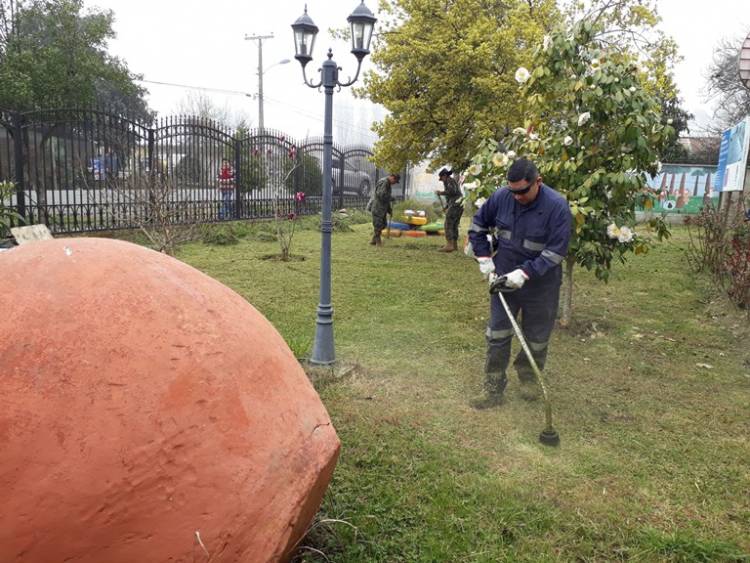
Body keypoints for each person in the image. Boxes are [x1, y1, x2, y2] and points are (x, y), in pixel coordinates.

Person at [468, 158, 571, 409]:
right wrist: (483, 257)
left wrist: (524, 273)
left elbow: (555, 252)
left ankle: (529, 378)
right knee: (497, 334)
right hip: (504, 280)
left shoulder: (557, 207)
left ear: (538, 181)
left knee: (536, 337)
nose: (516, 197)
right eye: (512, 191)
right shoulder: (501, 197)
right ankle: (493, 387)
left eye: (522, 191)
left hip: (541, 285)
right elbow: (478, 227)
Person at [435, 168, 464, 252]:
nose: (441, 180)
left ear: (444, 176)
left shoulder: (449, 181)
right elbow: (451, 196)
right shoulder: (450, 181)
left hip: (456, 204)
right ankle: (454, 245)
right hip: (458, 204)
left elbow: (452, 191)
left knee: (448, 223)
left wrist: (441, 192)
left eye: (441, 178)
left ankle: (449, 245)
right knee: (454, 224)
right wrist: (446, 206)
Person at [369, 173, 400, 246]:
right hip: (378, 208)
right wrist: (391, 198)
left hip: (382, 209)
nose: (394, 183)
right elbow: (381, 195)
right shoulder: (384, 182)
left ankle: (373, 240)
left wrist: (389, 210)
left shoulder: (388, 184)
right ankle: (378, 241)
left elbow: (386, 200)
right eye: (395, 181)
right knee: (378, 225)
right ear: (392, 177)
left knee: (383, 224)